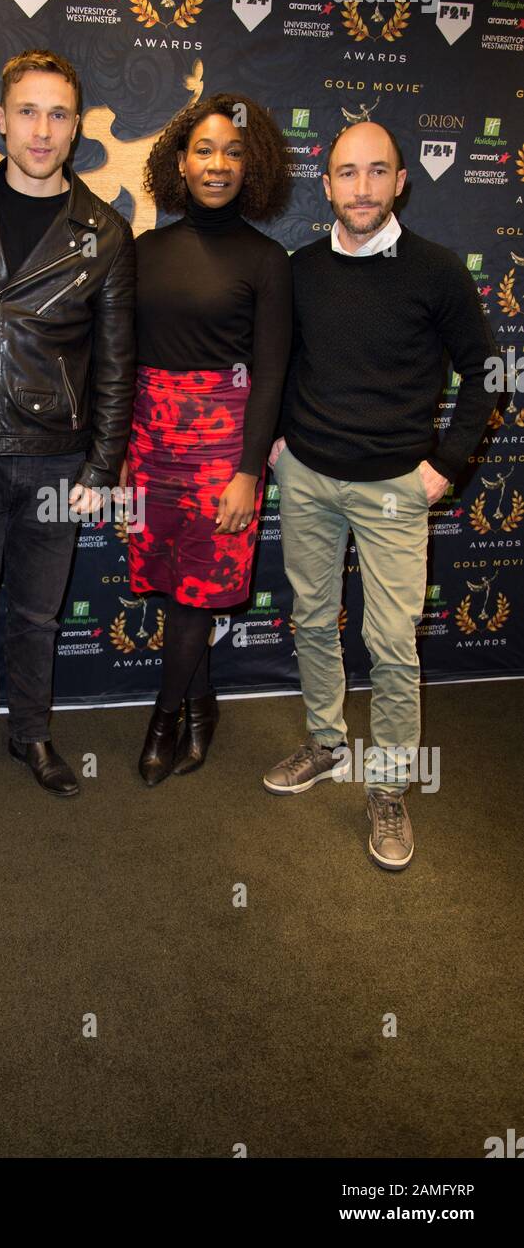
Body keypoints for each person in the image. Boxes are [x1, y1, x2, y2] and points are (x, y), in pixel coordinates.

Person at [264, 119, 496, 870]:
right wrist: (273, 440)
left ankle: (389, 784)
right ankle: (325, 744)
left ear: (399, 181)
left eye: (375, 172)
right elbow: (273, 363)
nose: (359, 188)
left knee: (392, 644)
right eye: (344, 173)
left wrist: (447, 466)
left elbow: (485, 375)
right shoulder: (297, 270)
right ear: (325, 183)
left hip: (397, 486)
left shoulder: (434, 271)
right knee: (310, 618)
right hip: (306, 476)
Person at [0, 49, 135, 812]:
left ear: (76, 126)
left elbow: (117, 364)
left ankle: (32, 734)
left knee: (39, 616)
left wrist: (101, 469)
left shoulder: (104, 233)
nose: (41, 130)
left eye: (57, 114)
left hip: (56, 464)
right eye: (27, 111)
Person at [126, 92, 292, 785]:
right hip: (148, 444)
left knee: (198, 589)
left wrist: (249, 471)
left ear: (250, 166)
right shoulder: (144, 250)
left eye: (232, 151)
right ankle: (203, 702)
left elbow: (272, 371)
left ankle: (164, 717)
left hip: (223, 451)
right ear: (178, 162)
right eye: (203, 149)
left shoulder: (265, 258)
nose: (217, 164)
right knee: (171, 585)